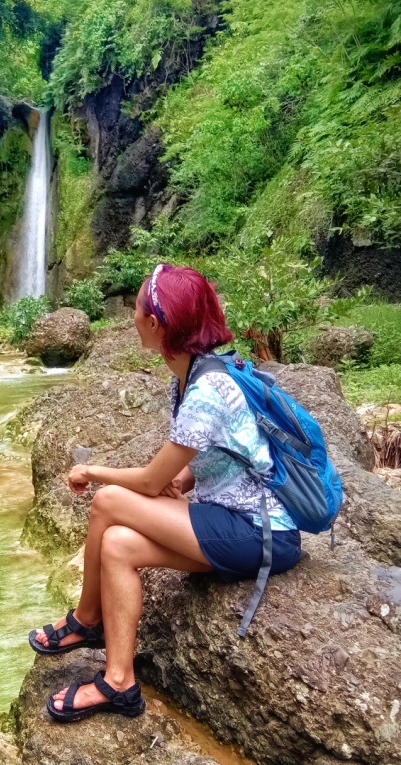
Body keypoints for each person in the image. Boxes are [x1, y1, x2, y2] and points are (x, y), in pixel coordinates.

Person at [28, 263, 302, 723]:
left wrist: (92, 470)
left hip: (261, 531)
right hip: (233, 521)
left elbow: (153, 483)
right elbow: (232, 449)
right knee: (117, 545)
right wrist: (190, 480)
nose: (132, 316)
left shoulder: (207, 389)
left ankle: (85, 621)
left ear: (155, 324)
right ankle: (120, 682)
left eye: (136, 308)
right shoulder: (192, 374)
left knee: (107, 500)